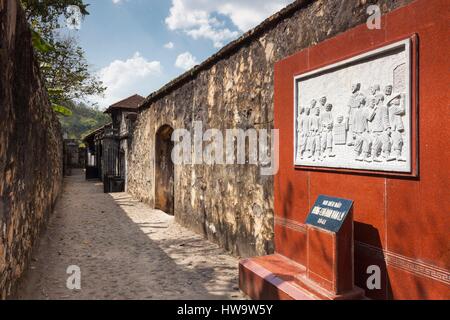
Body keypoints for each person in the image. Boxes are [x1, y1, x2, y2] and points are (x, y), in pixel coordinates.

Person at [370, 94, 395, 162]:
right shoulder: (378, 108)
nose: (374, 101)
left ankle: (377, 156)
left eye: (376, 99)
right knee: (386, 141)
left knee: (379, 142)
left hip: (379, 128)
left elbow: (385, 118)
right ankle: (385, 155)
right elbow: (369, 118)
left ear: (379, 99)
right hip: (379, 128)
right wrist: (388, 128)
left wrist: (387, 127)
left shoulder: (383, 107)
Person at [352, 94, 376, 162]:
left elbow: (354, 122)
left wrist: (354, 131)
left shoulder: (359, 110)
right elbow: (369, 118)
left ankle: (362, 156)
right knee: (367, 141)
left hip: (360, 130)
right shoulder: (363, 110)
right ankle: (363, 156)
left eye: (356, 102)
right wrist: (374, 110)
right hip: (361, 130)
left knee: (361, 142)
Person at [387, 93, 406, 162]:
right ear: (392, 101)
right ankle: (397, 156)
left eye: (399, 98)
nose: (398, 100)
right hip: (394, 128)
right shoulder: (393, 108)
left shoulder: (393, 108)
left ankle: (396, 155)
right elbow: (403, 110)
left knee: (398, 140)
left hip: (394, 128)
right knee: (398, 140)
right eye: (397, 99)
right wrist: (403, 99)